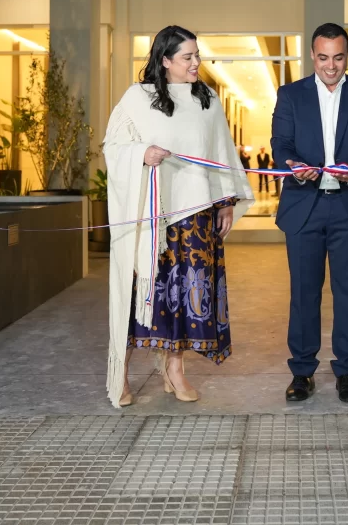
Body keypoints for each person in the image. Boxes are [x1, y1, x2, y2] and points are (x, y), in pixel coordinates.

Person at [103, 25, 254, 408]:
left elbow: (221, 153)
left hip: (196, 216)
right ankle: (121, 371)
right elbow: (113, 147)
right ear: (165, 60)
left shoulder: (207, 99)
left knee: (187, 297)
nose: (196, 62)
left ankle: (174, 369)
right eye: (187, 57)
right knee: (142, 294)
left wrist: (225, 201)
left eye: (197, 55)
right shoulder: (138, 98)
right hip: (151, 217)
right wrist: (141, 153)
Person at [271, 22, 348, 403]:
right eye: (323, 58)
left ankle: (347, 372)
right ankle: (302, 372)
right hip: (304, 205)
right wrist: (292, 164)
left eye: (338, 58)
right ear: (312, 56)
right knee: (304, 293)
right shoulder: (290, 95)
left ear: (347, 55)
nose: (331, 66)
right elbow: (280, 143)